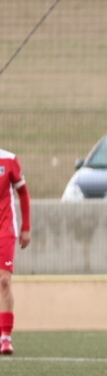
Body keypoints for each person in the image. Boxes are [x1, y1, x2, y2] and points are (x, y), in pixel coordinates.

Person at [0, 146, 30, 355]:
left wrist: (26, 227)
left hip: (5, 230)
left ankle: (5, 337)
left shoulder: (9, 160)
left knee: (4, 281)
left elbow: (23, 193)